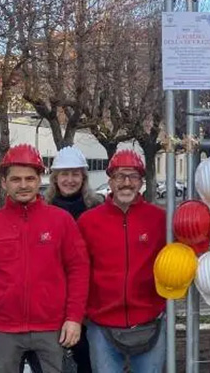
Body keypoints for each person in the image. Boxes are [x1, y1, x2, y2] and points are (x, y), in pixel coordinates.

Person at [0, 144, 90, 373]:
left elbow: (78, 272)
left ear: (40, 180)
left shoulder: (61, 221)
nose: (23, 185)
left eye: (30, 178)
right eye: (15, 179)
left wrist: (74, 318)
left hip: (51, 329)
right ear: (4, 183)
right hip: (1, 331)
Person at [78, 150, 167, 373]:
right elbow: (78, 270)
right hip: (101, 324)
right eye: (120, 176)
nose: (126, 183)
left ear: (141, 182)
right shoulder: (88, 222)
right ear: (110, 181)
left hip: (150, 320)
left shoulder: (159, 219)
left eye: (133, 176)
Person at [39, 146, 101, 373]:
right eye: (64, 174)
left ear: (83, 178)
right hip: (53, 297)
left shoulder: (96, 207)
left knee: (87, 358)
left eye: (75, 174)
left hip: (89, 297)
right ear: (55, 178)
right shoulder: (43, 209)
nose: (70, 180)